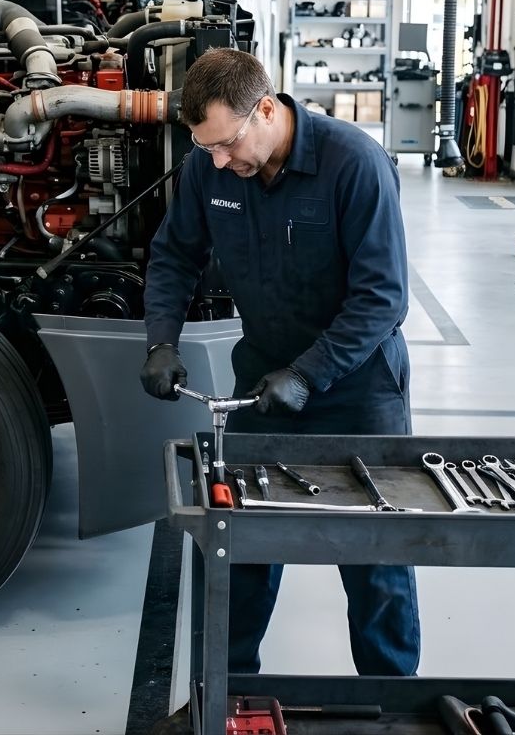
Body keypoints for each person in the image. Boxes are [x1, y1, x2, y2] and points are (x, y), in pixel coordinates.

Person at [140, 48, 420, 718]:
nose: (217, 160)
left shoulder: (353, 163)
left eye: (227, 142)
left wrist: (311, 374)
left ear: (266, 109)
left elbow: (383, 298)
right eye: (204, 147)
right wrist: (160, 341)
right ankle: (228, 697)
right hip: (263, 382)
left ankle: (390, 704)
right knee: (239, 548)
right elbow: (174, 256)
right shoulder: (207, 170)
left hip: (359, 388)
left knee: (375, 557)